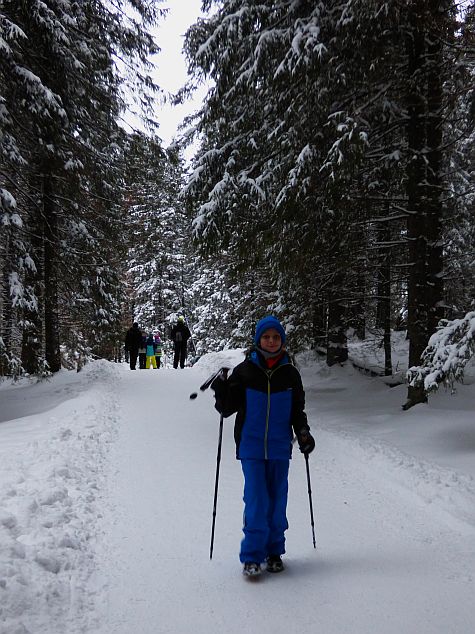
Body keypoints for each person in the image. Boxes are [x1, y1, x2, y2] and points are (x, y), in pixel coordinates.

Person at [211, 315, 315, 578]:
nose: (271, 341)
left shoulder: (290, 374)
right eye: (266, 337)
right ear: (258, 340)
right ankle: (252, 556)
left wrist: (303, 432)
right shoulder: (245, 372)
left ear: (282, 340)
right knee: (257, 500)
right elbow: (227, 409)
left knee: (278, 501)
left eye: (276, 337)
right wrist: (221, 390)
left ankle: (274, 552)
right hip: (251, 446)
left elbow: (297, 410)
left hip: (280, 447)